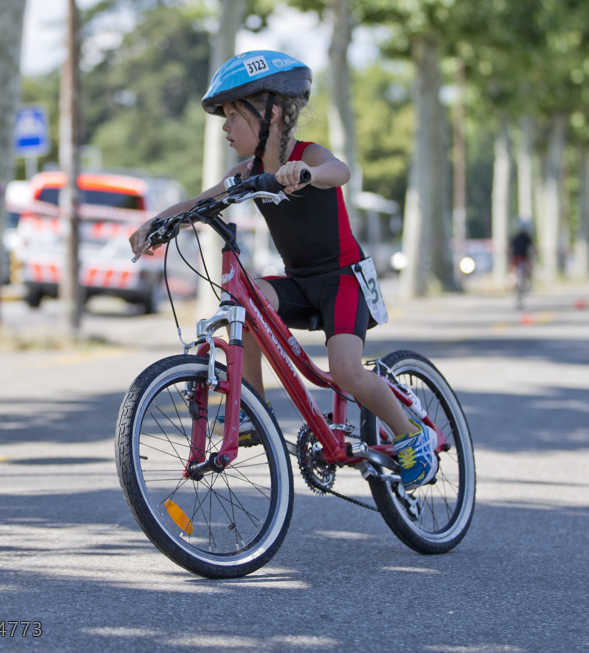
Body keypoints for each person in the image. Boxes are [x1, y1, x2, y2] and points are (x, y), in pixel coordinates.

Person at [129, 50, 437, 489]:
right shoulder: (248, 172)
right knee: (245, 297)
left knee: (346, 372)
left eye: (234, 115)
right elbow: (199, 201)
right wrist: (156, 224)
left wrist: (305, 173)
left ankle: (413, 437)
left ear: (271, 113)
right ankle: (253, 409)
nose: (225, 127)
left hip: (342, 281)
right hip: (299, 283)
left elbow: (340, 171)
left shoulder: (308, 155)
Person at [508, 221, 535, 290]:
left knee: (513, 269)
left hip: (516, 257)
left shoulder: (515, 237)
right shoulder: (527, 238)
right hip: (523, 257)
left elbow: (511, 248)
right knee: (529, 269)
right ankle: (529, 283)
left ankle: (512, 282)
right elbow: (532, 248)